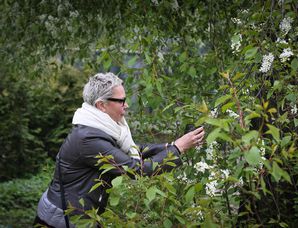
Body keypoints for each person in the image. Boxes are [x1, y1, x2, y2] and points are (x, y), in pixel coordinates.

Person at [34, 72, 205, 227]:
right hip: (65, 216)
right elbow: (136, 170)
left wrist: (170, 145)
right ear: (101, 105)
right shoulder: (88, 138)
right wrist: (179, 148)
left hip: (80, 213)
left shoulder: (100, 127)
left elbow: (133, 150)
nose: (127, 105)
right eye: (121, 100)